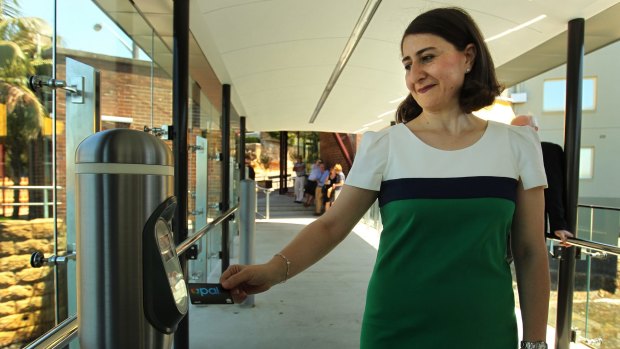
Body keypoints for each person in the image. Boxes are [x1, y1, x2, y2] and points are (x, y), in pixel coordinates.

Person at [221, 7, 550, 349]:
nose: (415, 74)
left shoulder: (517, 144)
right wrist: (272, 271)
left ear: (468, 57)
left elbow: (530, 251)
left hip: (486, 330)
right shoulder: (383, 145)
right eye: (408, 64)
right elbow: (331, 225)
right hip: (395, 329)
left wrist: (536, 341)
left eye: (427, 58)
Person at [511, 114, 574, 246]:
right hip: (506, 222)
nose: (517, 133)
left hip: (531, 221)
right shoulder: (507, 153)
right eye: (513, 129)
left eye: (522, 128)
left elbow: (554, 189)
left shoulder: (547, 151)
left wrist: (559, 224)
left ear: (535, 129)